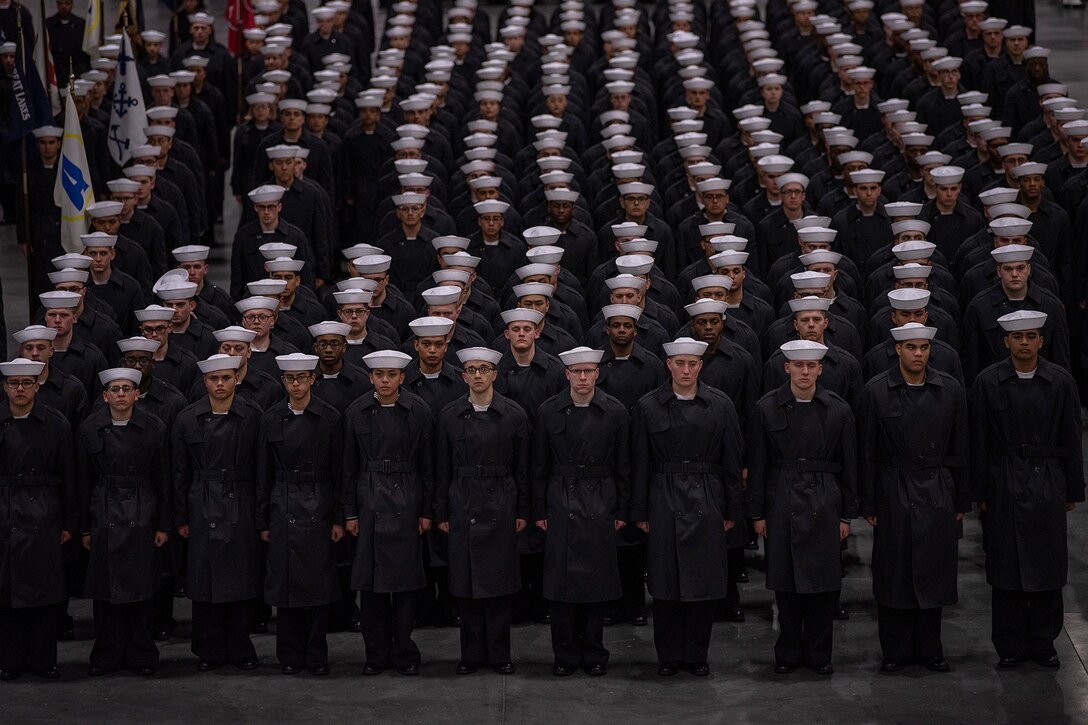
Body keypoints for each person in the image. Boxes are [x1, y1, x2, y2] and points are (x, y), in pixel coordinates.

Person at [971, 310, 1085, 669]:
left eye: (1031, 336)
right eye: (1018, 337)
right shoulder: (989, 382)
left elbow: (1071, 435)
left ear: (1041, 340)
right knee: (1006, 564)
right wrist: (980, 490)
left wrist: (1072, 489)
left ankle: (1044, 641)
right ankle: (1010, 644)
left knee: (1048, 564)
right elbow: (979, 440)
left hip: (1047, 478)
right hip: (1004, 478)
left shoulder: (1060, 381)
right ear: (1006, 341)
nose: (1024, 342)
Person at [857, 324, 970, 673]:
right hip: (893, 487)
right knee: (894, 570)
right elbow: (867, 452)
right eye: (911, 346)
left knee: (933, 568)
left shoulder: (949, 389)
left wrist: (961, 500)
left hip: (937, 487)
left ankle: (930, 648)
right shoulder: (876, 391)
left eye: (923, 347)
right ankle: (895, 650)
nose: (918, 353)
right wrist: (869, 502)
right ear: (898, 350)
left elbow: (961, 447)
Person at [630, 337, 744, 677]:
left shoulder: (720, 404)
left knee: (702, 582)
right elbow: (639, 463)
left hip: (707, 496)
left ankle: (697, 655)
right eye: (679, 363)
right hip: (663, 497)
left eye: (692, 364)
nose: (685, 369)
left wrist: (730, 511)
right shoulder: (649, 406)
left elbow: (731, 461)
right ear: (668, 365)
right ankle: (668, 656)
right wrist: (639, 511)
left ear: (700, 366)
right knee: (665, 582)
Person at [746, 340, 857, 676]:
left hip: (825, 498)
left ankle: (820, 653)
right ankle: (788, 652)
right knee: (786, 581)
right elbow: (758, 465)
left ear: (821, 369)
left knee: (824, 582)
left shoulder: (838, 409)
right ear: (787, 369)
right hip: (781, 497)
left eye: (811, 366)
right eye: (799, 366)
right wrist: (757, 513)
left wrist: (846, 514)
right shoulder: (766, 408)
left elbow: (849, 463)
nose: (805, 371)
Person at [532, 347, 631, 677]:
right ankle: (564, 653)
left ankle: (594, 652)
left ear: (598, 374)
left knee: (596, 582)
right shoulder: (549, 412)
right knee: (561, 584)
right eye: (578, 372)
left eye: (589, 371)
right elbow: (539, 467)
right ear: (567, 375)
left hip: (601, 498)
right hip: (561, 499)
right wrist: (540, 508)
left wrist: (620, 508)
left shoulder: (614, 411)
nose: (584, 377)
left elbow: (625, 466)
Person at [434, 347, 530, 675]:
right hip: (462, 501)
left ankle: (500, 653)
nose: (477, 375)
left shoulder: (513, 414)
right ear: (463, 376)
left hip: (501, 500)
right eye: (471, 369)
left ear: (494, 374)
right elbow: (440, 469)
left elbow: (524, 468)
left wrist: (523, 509)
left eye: (484, 369)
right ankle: (471, 654)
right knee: (465, 583)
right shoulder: (449, 415)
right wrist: (442, 512)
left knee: (500, 584)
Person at [343, 350, 434, 676]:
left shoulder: (419, 411)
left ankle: (404, 652)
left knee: (406, 586)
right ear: (370, 377)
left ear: (401, 378)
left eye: (391, 375)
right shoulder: (356, 411)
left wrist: (426, 511)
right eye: (379, 374)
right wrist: (350, 512)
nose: (384, 380)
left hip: (407, 502)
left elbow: (428, 467)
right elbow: (348, 467)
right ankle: (376, 654)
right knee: (371, 588)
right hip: (369, 503)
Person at [172, 354, 263, 672]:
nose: (220, 383)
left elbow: (261, 468)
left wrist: (259, 513)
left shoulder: (252, 415)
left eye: (226, 377)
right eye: (214, 379)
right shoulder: (187, 419)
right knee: (204, 579)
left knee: (239, 579)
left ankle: (240, 646)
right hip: (202, 502)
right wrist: (181, 516)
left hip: (241, 499)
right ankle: (208, 648)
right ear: (205, 382)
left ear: (236, 378)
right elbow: (179, 473)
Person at [77, 369, 171, 677]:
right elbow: (82, 480)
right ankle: (107, 653)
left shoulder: (154, 427)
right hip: (103, 510)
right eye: (114, 389)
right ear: (105, 396)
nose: (120, 394)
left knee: (142, 590)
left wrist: (162, 525)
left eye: (126, 388)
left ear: (136, 394)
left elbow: (163, 479)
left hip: (142, 508)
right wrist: (85, 527)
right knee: (106, 591)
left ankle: (142, 653)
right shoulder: (90, 429)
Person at [256, 354, 343, 676]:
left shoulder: (330, 418)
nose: (296, 384)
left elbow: (340, 471)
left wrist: (338, 517)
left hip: (318, 504)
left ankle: (316, 654)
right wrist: (262, 520)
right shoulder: (270, 418)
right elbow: (263, 472)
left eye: (302, 378)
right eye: (290, 379)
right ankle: (289, 655)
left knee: (317, 586)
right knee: (285, 584)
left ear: (312, 380)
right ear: (283, 382)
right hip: (283, 504)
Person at [0, 358, 77, 681]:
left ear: (36, 387)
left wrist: (70, 522)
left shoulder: (56, 423)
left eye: (26, 383)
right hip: (4, 509)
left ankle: (44, 659)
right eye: (14, 383)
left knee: (44, 591)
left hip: (45, 510)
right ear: (5, 387)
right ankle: (10, 658)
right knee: (6, 591)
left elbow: (70, 475)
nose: (20, 389)